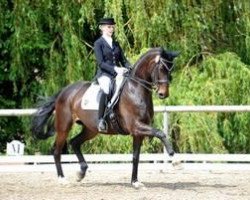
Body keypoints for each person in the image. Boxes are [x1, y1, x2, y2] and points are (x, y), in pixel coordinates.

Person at [94, 17, 131, 132]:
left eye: (112, 27)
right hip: (104, 74)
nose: (111, 29)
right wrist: (116, 69)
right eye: (109, 27)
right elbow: (101, 63)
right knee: (106, 88)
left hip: (118, 74)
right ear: (102, 28)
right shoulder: (98, 43)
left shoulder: (116, 44)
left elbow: (123, 60)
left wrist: (130, 67)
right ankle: (101, 120)